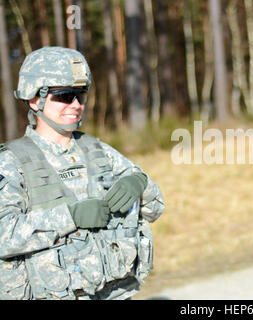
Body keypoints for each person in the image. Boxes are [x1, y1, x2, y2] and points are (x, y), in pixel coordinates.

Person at [0, 47, 165, 300]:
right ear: (35, 99)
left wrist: (139, 183)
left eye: (80, 95)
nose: (76, 105)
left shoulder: (97, 150)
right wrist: (70, 216)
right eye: (64, 95)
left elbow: (155, 208)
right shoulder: (11, 162)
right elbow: (3, 236)